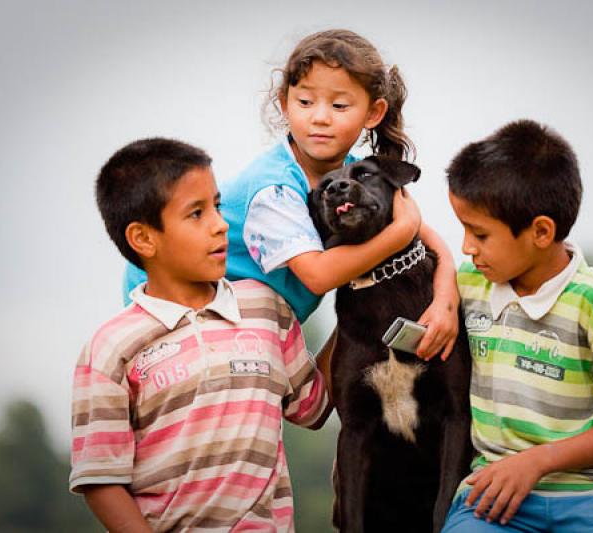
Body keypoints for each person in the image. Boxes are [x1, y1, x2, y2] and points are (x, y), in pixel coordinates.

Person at [123, 29, 459, 360]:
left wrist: (446, 300)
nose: (320, 117)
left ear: (373, 113)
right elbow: (318, 276)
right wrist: (400, 232)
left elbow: (432, 245)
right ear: (285, 104)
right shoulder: (275, 188)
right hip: (177, 309)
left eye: (340, 105)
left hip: (259, 322)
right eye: (305, 102)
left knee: (318, 388)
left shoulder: (358, 175)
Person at [70, 138, 330, 531]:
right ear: (143, 238)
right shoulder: (110, 347)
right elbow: (101, 481)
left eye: (217, 205)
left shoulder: (264, 307)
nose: (220, 224)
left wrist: (357, 314)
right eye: (196, 213)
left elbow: (313, 407)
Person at [442, 120, 593, 532]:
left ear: (541, 232)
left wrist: (537, 461)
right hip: (490, 500)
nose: (466, 247)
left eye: (480, 234)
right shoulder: (466, 284)